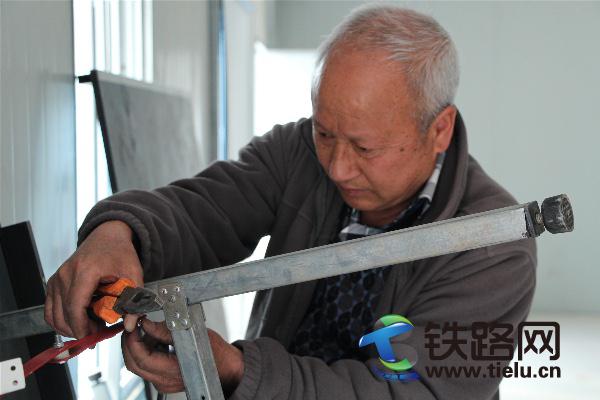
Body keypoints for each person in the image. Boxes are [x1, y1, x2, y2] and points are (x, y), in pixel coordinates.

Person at [44, 5, 536, 399]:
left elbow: (409, 391)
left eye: (364, 148)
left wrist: (239, 371)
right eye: (325, 133)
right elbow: (203, 211)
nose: (337, 167)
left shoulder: (493, 247)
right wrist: (120, 232)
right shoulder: (296, 153)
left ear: (439, 129)